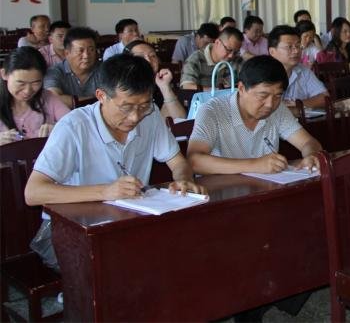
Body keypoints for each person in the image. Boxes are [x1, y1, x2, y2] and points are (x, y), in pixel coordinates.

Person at [25, 54, 204, 270]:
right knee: (128, 267)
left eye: (144, 105)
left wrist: (184, 179)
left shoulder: (150, 116)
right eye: (126, 107)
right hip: (69, 232)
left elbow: (178, 162)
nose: (135, 117)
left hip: (124, 224)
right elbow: (33, 193)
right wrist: (106, 192)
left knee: (185, 249)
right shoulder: (74, 127)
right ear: (101, 96)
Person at [187, 55, 322, 175]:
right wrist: (254, 165)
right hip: (222, 190)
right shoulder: (213, 111)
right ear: (241, 88)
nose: (270, 104)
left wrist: (311, 155)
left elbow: (308, 142)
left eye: (277, 96)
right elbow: (194, 161)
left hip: (265, 189)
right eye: (263, 95)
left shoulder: (277, 110)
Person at [1, 47, 70, 145]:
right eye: (21, 83)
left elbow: (73, 124)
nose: (27, 91)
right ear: (4, 74)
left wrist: (59, 129)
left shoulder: (47, 98)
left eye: (36, 83)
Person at [267, 25, 328, 109]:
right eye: (289, 47)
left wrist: (298, 104)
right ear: (272, 52)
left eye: (298, 46)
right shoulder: (262, 74)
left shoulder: (304, 71)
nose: (296, 51)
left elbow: (325, 97)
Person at [124, 40, 187, 120]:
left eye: (152, 56)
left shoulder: (159, 84)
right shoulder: (123, 88)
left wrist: (165, 87)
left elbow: (180, 119)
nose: (148, 60)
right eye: (140, 57)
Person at [44, 27, 102, 108]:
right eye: (80, 51)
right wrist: (97, 100)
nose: (86, 56)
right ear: (67, 53)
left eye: (91, 50)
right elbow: (54, 99)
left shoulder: (104, 69)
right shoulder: (54, 72)